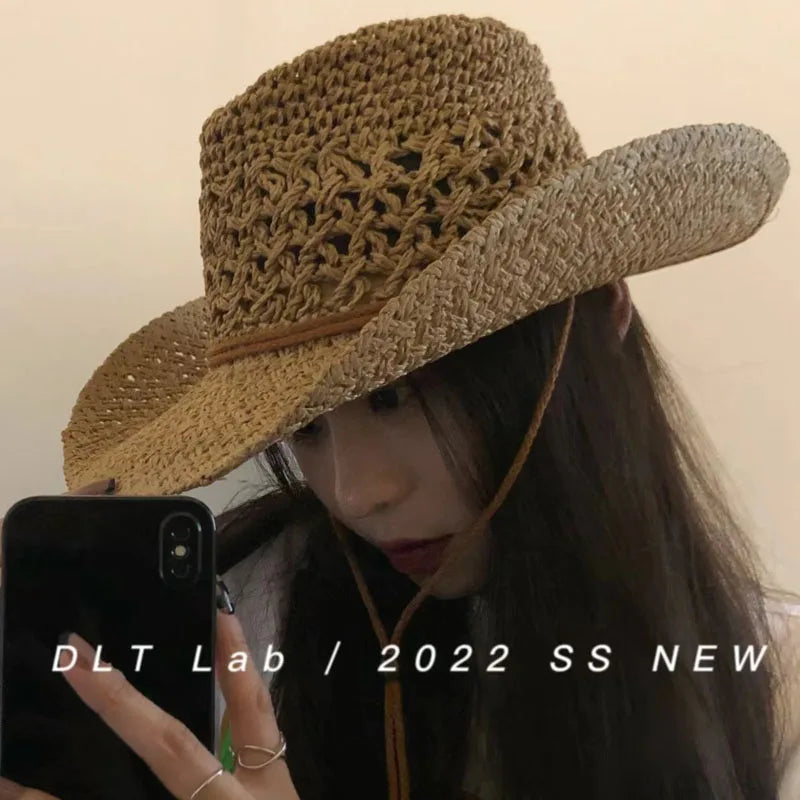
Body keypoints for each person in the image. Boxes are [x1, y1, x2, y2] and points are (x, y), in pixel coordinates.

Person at [2, 13, 799, 800]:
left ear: (601, 314)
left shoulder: (773, 684)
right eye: (305, 428)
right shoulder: (241, 615)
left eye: (396, 397)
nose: (356, 494)